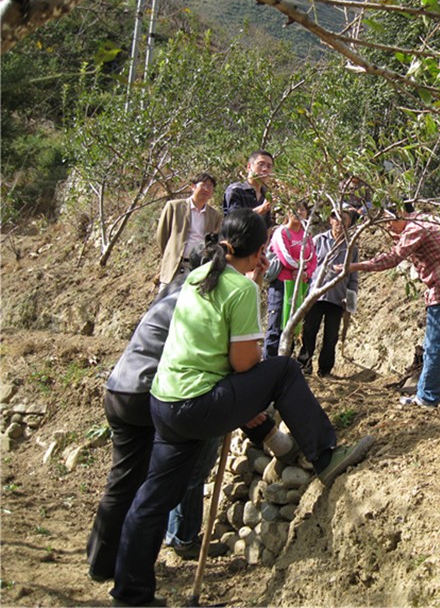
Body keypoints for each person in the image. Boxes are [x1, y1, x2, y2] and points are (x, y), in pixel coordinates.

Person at [109, 209, 373, 606]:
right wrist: (252, 290)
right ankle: (324, 455)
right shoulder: (240, 290)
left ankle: (130, 594)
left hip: (164, 401)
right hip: (199, 403)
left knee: (152, 499)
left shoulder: (198, 275)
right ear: (259, 250)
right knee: (284, 370)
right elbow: (245, 363)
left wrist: (253, 280)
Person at [86, 260, 294, 584]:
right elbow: (229, 363)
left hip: (120, 387)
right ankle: (176, 541)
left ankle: (102, 563)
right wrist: (256, 419)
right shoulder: (200, 302)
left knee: (124, 481)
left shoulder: (175, 293)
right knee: (180, 474)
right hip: (154, 393)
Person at [346, 203, 440, 410]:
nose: (388, 226)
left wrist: (354, 267)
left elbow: (393, 258)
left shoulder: (415, 228)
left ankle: (427, 396)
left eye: (389, 220)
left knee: (435, 346)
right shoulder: (429, 219)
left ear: (402, 212)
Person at [297, 208, 359, 377]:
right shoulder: (318, 240)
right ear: (330, 220)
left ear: (349, 223)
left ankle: (325, 370)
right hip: (315, 295)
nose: (339, 222)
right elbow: (306, 265)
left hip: (337, 298)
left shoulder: (351, 247)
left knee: (331, 336)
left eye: (344, 219)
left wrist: (350, 300)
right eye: (336, 218)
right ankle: (304, 365)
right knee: (309, 331)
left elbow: (353, 277)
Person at [264, 201, 317, 358]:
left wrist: (305, 273)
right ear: (288, 212)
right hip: (281, 284)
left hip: (299, 285)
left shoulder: (307, 236)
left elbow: (313, 259)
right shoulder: (281, 232)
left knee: (293, 325)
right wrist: (300, 268)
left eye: (302, 209)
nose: (299, 212)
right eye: (295, 209)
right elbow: (284, 257)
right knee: (276, 324)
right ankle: (270, 362)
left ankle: (285, 360)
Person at [155, 173, 222, 290]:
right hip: (174, 266)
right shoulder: (174, 207)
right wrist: (171, 255)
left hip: (198, 268)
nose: (207, 189)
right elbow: (162, 236)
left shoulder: (214, 216)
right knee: (166, 298)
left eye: (210, 186)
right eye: (203, 185)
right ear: (193, 186)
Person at [223, 150, 275, 230]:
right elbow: (234, 220)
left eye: (269, 166)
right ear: (249, 167)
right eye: (261, 164)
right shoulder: (236, 190)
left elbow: (267, 226)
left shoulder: (266, 194)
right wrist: (261, 210)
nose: (265, 169)